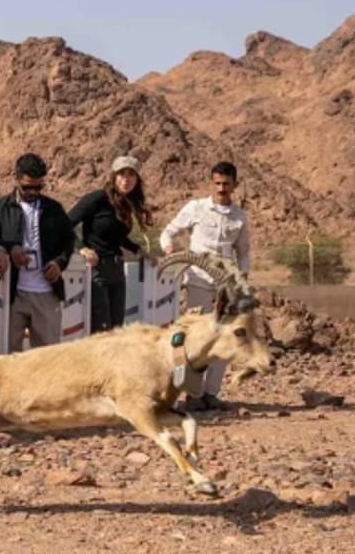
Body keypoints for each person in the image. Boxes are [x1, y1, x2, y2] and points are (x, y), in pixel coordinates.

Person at [160, 161, 251, 411]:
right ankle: (194, 394)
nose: (221, 188)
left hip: (226, 285)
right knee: (197, 338)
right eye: (217, 183)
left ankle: (212, 393)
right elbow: (168, 232)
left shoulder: (239, 217)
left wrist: (241, 280)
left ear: (235, 185)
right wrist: (169, 249)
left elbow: (243, 252)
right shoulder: (196, 208)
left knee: (224, 336)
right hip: (198, 280)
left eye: (226, 184)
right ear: (211, 183)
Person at [0, 154, 75, 350]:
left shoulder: (54, 209)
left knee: (47, 359)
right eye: (27, 187)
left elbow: (69, 241)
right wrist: (9, 250)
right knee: (8, 357)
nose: (33, 192)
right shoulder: (0, 208)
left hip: (46, 294)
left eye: (38, 187)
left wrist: (58, 264)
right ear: (16, 179)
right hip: (12, 294)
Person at [68, 155, 154, 333]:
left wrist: (137, 250)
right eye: (122, 174)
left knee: (117, 331)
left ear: (137, 180)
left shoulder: (126, 203)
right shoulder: (97, 198)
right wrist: (81, 248)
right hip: (96, 270)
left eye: (131, 175)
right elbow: (65, 224)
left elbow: (116, 236)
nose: (126, 179)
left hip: (117, 271)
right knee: (102, 331)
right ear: (114, 177)